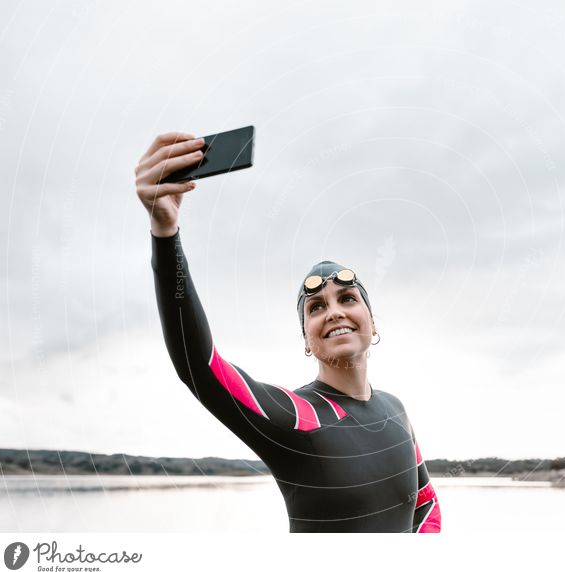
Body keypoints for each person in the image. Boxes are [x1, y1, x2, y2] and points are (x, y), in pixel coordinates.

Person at [135, 132, 441, 532]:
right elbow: (200, 365)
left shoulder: (396, 410)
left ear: (373, 322)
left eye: (348, 299)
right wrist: (165, 233)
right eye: (316, 307)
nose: (333, 312)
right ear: (306, 341)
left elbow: (427, 506)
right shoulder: (299, 418)